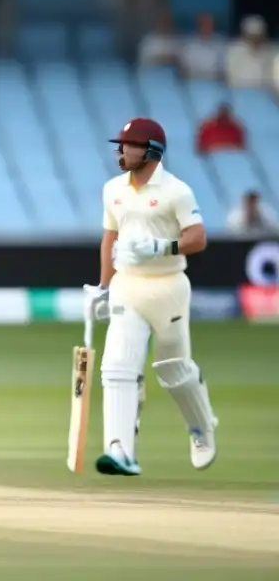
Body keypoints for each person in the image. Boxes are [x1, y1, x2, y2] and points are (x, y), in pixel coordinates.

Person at [83, 118, 216, 478]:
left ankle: (202, 428)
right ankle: (120, 449)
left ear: (152, 150)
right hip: (128, 286)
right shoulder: (112, 189)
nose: (121, 151)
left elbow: (198, 238)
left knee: (173, 371)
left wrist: (162, 246)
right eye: (121, 145)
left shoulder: (176, 191)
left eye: (129, 145)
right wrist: (103, 287)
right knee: (116, 366)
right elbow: (109, 239)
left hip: (168, 286)